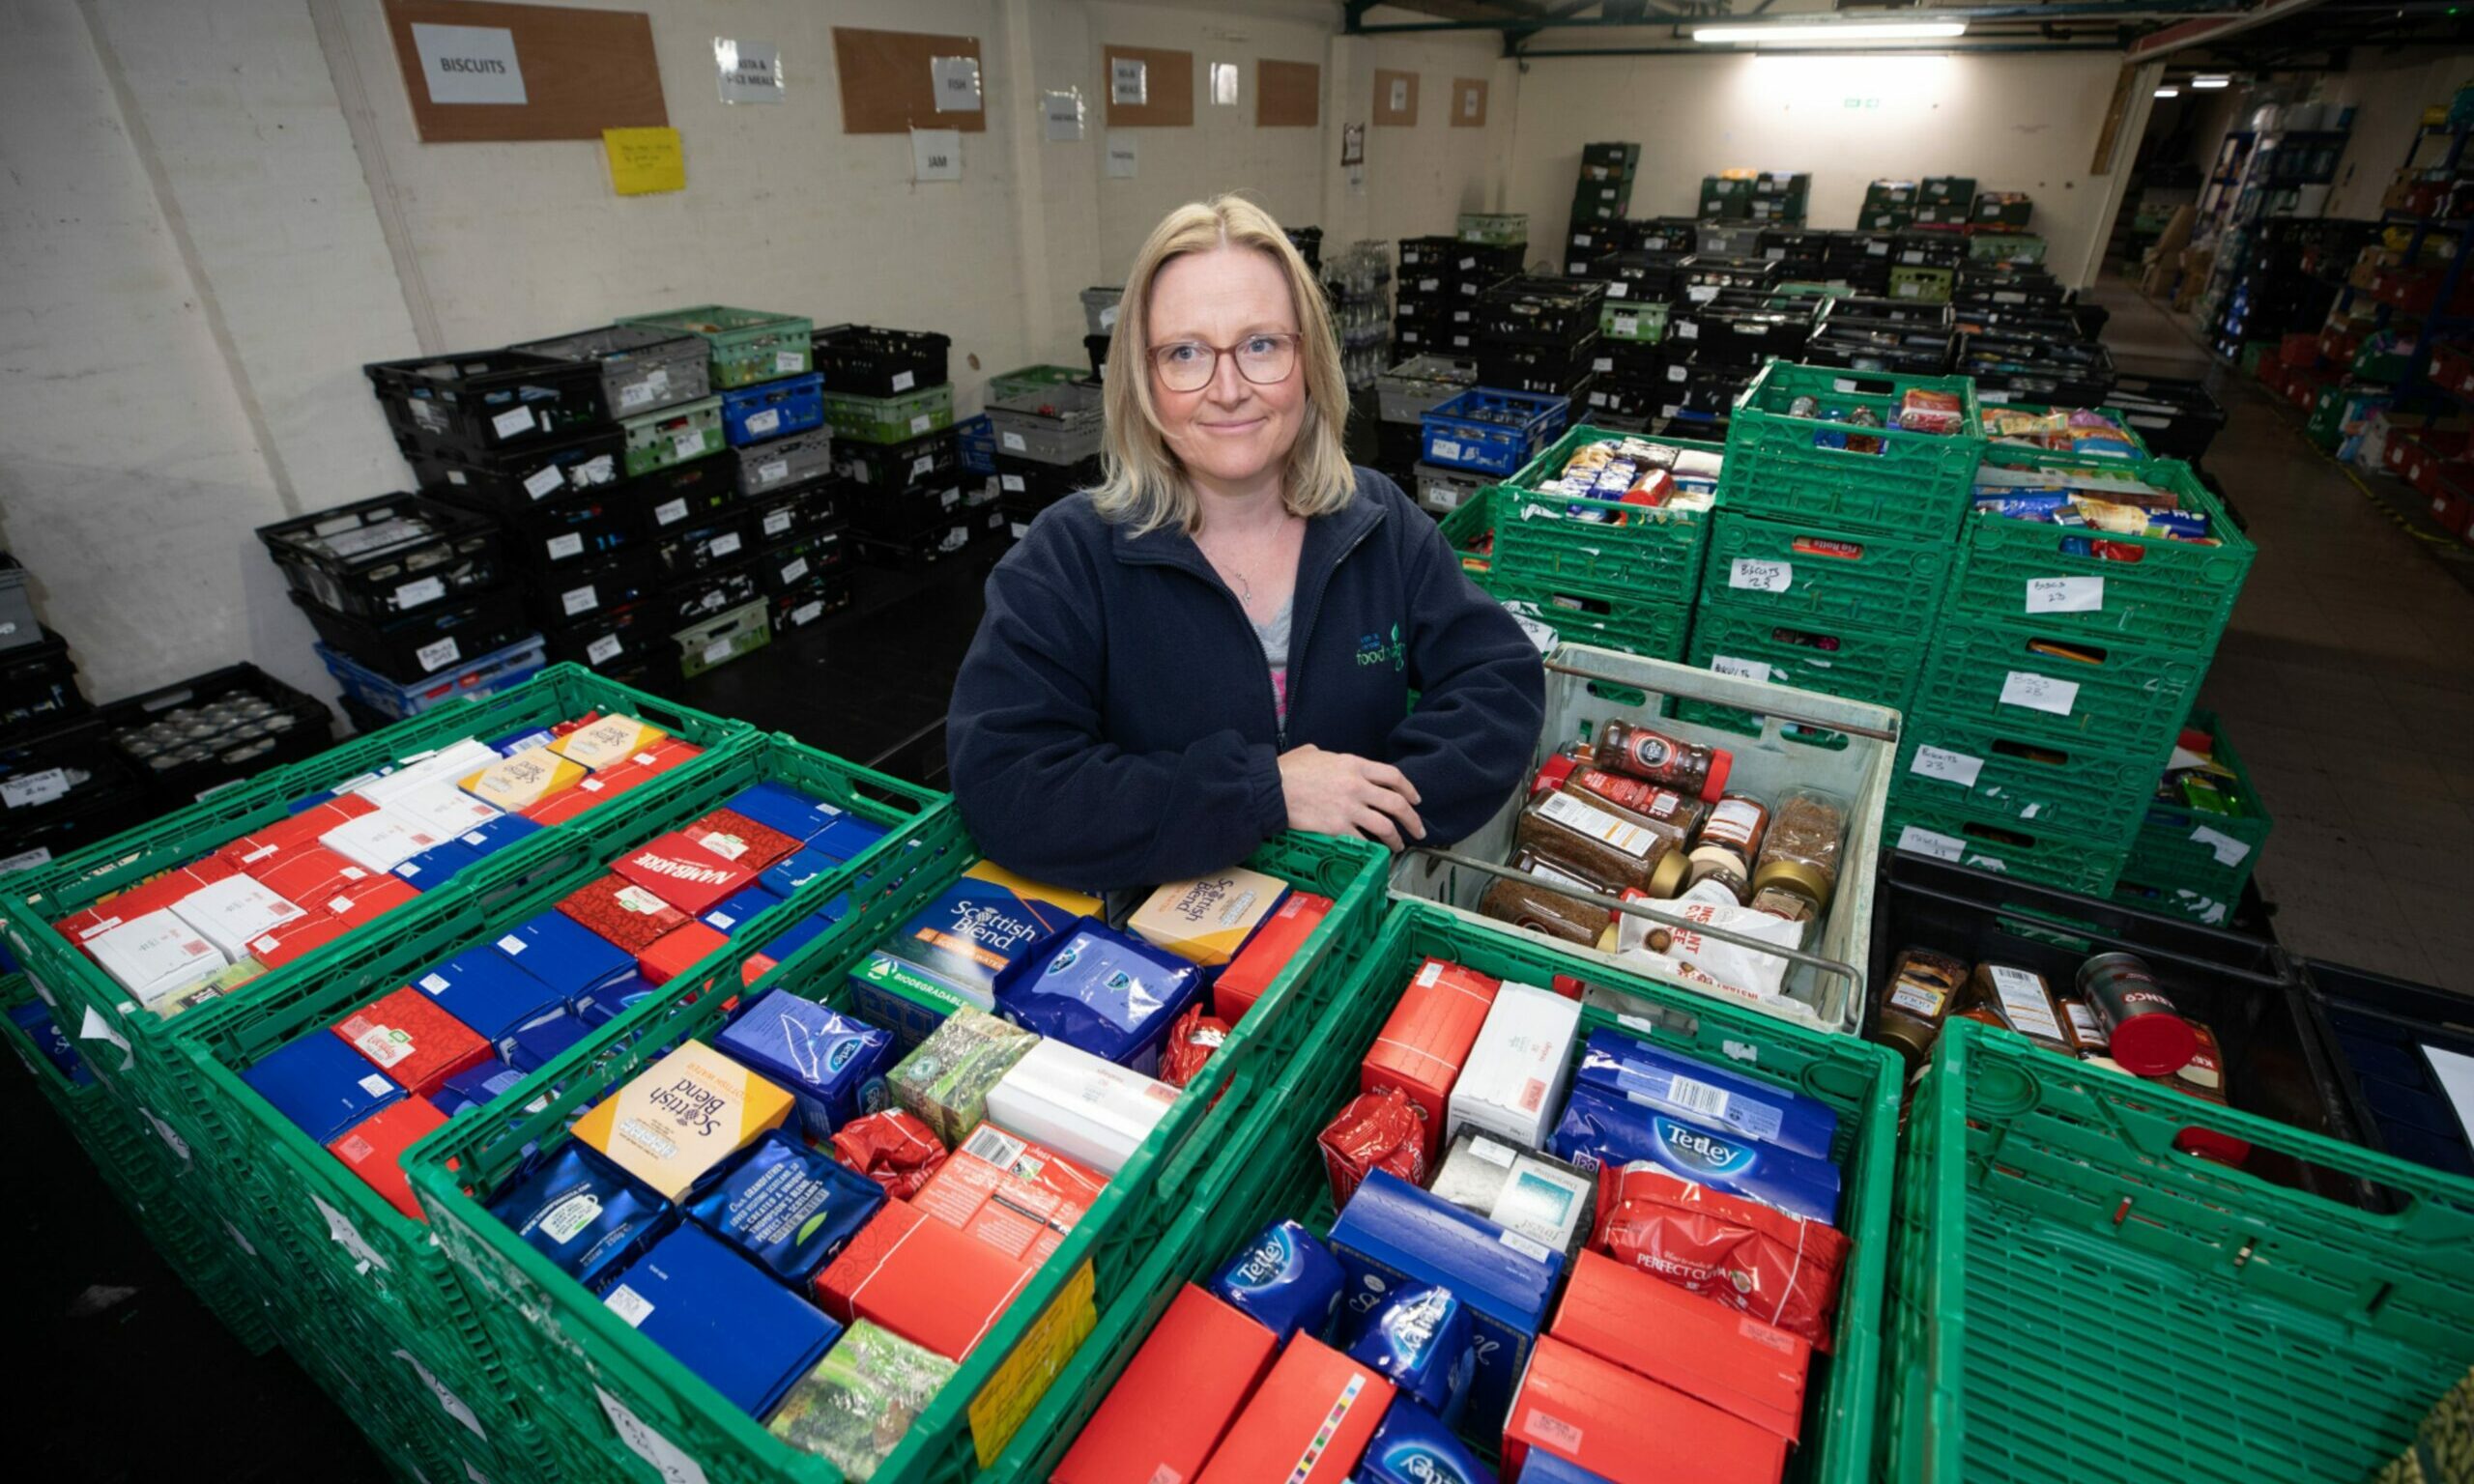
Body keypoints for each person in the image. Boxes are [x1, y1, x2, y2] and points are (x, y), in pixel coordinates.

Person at [946, 195, 1544, 892]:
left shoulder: (1377, 522)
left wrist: (1373, 809)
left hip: (1348, 934)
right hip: (1162, 969)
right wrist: (1265, 795)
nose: (1227, 389)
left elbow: (1501, 681)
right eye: (1185, 353)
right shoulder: (1069, 558)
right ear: (1142, 381)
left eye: (1261, 345)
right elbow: (1008, 780)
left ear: (1311, 361)